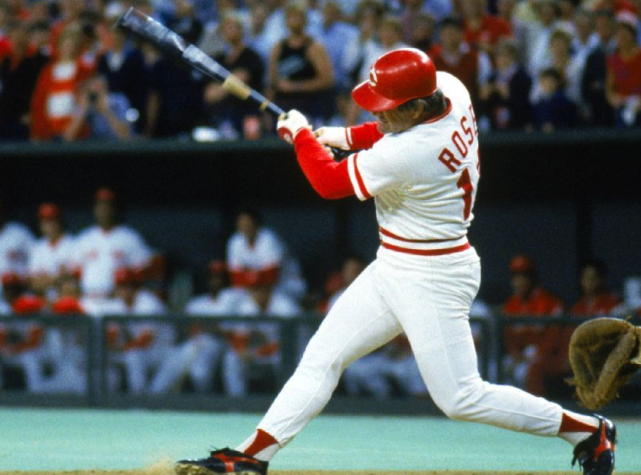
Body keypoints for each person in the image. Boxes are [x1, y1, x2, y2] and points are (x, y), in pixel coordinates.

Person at [175, 48, 617, 475]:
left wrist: (302, 137)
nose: (379, 113)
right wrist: (341, 136)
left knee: (461, 398)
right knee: (321, 358)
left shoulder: (414, 151)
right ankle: (251, 457)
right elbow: (389, 129)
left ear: (418, 107)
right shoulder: (449, 88)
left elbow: (329, 182)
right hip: (395, 264)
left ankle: (589, 431)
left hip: (434, 274)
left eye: (388, 107)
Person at [27, 203, 76, 299]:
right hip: (43, 299)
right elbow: (33, 283)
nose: (49, 225)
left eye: (52, 220)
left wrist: (45, 279)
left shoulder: (73, 244)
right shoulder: (37, 248)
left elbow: (72, 278)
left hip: (65, 299)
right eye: (45, 221)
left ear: (59, 221)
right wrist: (58, 278)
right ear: (40, 224)